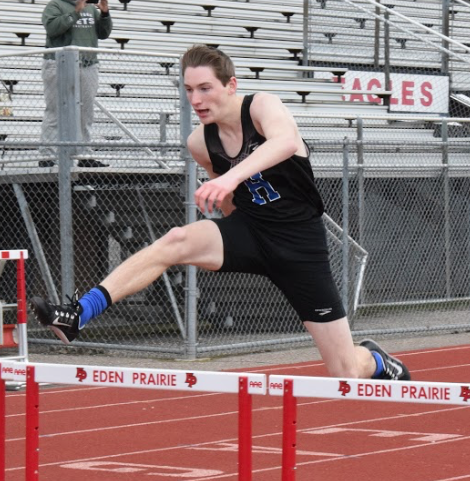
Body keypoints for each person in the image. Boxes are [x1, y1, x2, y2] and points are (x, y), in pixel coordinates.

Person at [31, 45, 410, 381]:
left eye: (205, 88)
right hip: (249, 232)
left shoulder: (261, 106)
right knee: (176, 239)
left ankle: (377, 361)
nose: (195, 99)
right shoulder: (200, 142)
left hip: (299, 244)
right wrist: (225, 203)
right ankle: (79, 313)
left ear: (230, 85)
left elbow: (285, 141)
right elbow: (227, 201)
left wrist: (229, 180)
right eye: (189, 90)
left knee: (344, 370)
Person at [38, 0, 112, 168]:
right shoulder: (55, 5)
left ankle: (85, 154)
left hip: (88, 64)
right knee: (55, 109)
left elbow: (103, 33)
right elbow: (52, 28)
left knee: (85, 112)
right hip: (58, 64)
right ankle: (47, 155)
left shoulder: (92, 9)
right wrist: (76, 12)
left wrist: (105, 14)